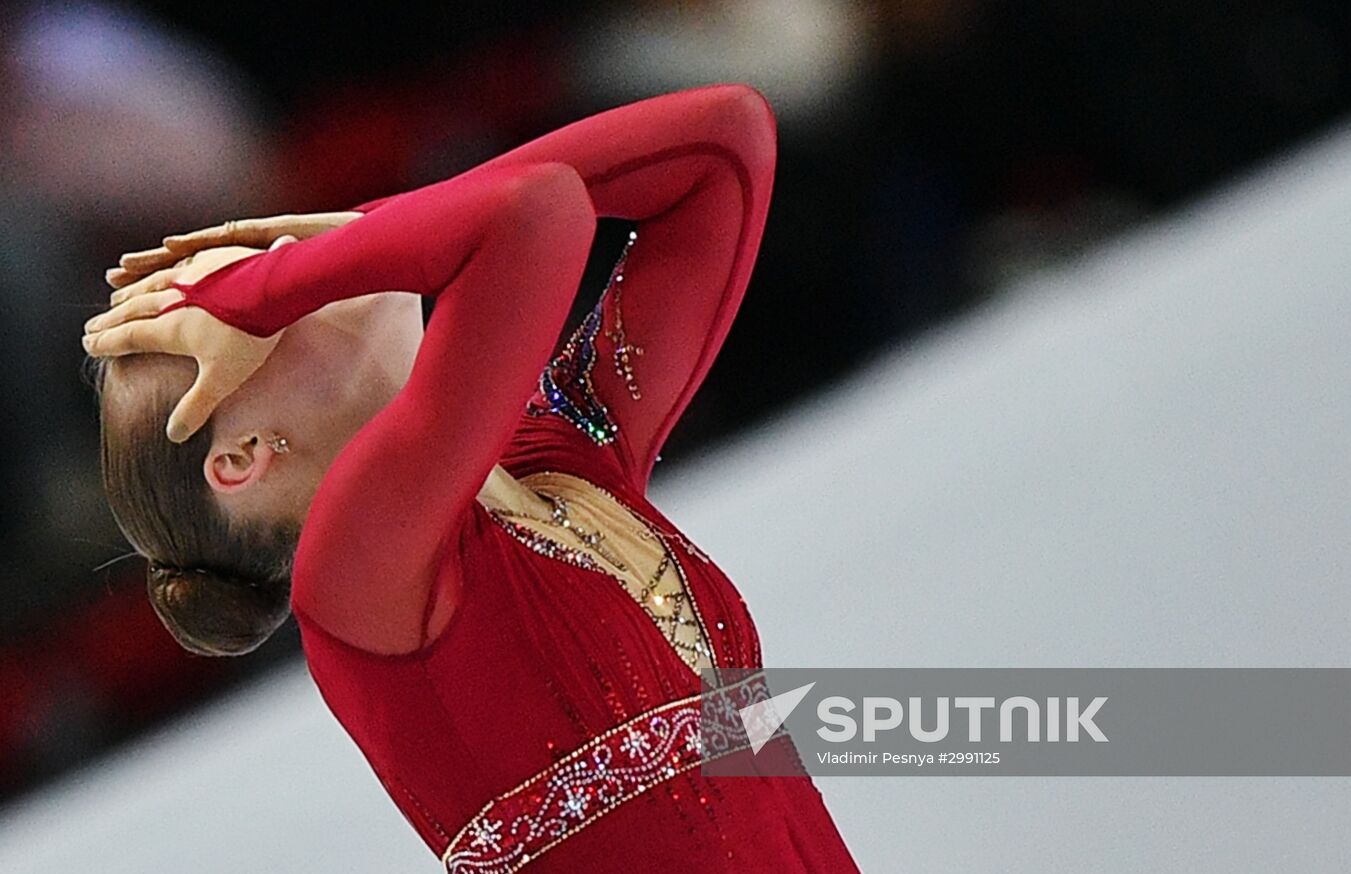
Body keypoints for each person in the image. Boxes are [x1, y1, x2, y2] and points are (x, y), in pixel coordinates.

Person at [85, 83, 860, 872]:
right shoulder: (355, 572)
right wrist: (282, 281)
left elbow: (723, 141)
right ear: (242, 457)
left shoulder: (563, 465)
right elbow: (532, 214)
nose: (303, 262)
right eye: (241, 320)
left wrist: (359, 233)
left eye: (284, 258)